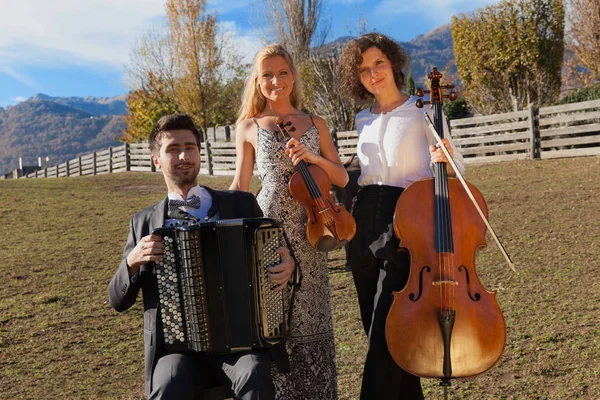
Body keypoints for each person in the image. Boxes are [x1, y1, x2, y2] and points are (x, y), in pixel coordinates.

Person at [108, 113, 296, 400]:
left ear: (199, 152)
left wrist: (286, 264)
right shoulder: (142, 222)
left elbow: (277, 253)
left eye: (190, 147)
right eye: (173, 149)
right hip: (177, 351)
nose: (184, 155)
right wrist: (131, 262)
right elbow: (117, 300)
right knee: (168, 385)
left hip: (241, 343)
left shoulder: (241, 204)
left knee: (254, 374)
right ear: (156, 159)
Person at [338, 33, 465, 399]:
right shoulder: (362, 118)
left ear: (393, 63)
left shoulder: (423, 110)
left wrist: (446, 161)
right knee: (384, 340)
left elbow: (454, 166)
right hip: (361, 226)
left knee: (385, 337)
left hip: (406, 224)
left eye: (378, 63)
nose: (372, 73)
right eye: (363, 69)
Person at [229, 44, 348, 399]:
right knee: (274, 321)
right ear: (257, 81)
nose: (275, 80)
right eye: (266, 74)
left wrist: (311, 156)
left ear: (293, 77)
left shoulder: (316, 123)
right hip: (270, 234)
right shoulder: (248, 126)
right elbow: (240, 186)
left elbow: (340, 177)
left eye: (282, 72)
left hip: (313, 229)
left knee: (312, 324)